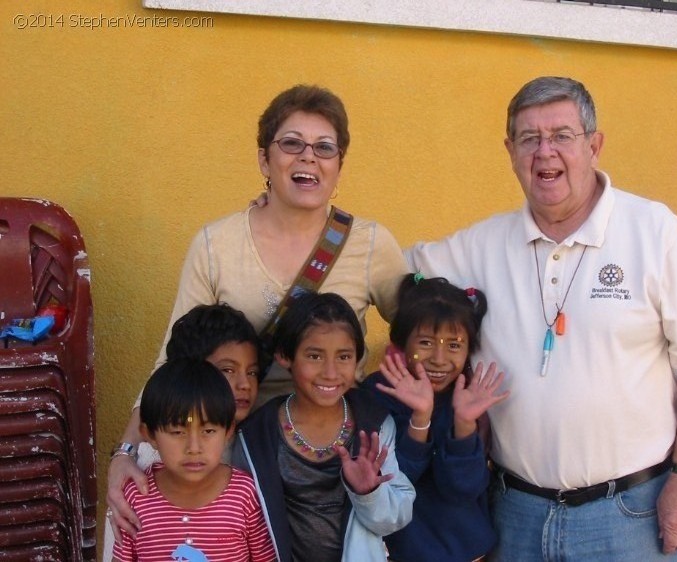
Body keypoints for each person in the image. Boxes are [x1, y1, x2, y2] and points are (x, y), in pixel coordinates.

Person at [406, 76, 677, 560]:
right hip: (515, 514)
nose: (545, 152)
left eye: (562, 135)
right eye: (529, 138)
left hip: (630, 515)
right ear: (510, 151)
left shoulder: (654, 232)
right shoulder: (482, 245)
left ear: (594, 145)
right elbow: (395, 275)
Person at [108, 84, 408, 539]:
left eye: (325, 148)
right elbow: (172, 362)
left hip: (331, 454)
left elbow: (416, 333)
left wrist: (433, 423)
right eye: (291, 143)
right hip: (233, 446)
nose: (309, 157)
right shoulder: (216, 244)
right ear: (265, 160)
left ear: (338, 166)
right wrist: (126, 452)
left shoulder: (371, 244)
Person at [232, 292, 415, 562]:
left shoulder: (372, 425)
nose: (330, 372)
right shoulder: (257, 436)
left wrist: (369, 493)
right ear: (285, 355)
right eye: (315, 356)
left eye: (344, 357)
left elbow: (394, 518)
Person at [361, 274, 509, 562]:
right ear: (402, 342)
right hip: (403, 553)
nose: (439, 359)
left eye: (454, 345)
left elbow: (463, 489)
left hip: (467, 553)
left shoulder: (468, 397)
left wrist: (465, 423)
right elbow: (393, 484)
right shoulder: (377, 394)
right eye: (426, 342)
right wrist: (421, 416)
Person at [103, 303, 265, 560]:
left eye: (252, 372)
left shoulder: (251, 475)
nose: (244, 384)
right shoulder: (141, 479)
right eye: (227, 370)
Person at [112, 358, 276, 562]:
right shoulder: (136, 496)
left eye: (208, 431)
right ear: (150, 435)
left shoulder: (246, 495)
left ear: (227, 431)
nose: (194, 448)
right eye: (177, 431)